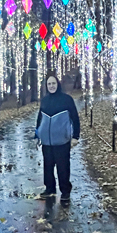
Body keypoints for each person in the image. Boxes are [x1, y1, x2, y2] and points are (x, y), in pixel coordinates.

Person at [35, 72, 80, 203]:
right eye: (49, 84)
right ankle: (50, 189)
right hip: (47, 142)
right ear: (46, 86)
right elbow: (40, 118)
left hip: (62, 141)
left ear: (58, 84)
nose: (51, 86)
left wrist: (75, 136)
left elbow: (75, 119)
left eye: (53, 83)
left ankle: (65, 191)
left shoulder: (67, 99)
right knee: (48, 167)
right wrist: (36, 136)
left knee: (63, 167)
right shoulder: (44, 100)